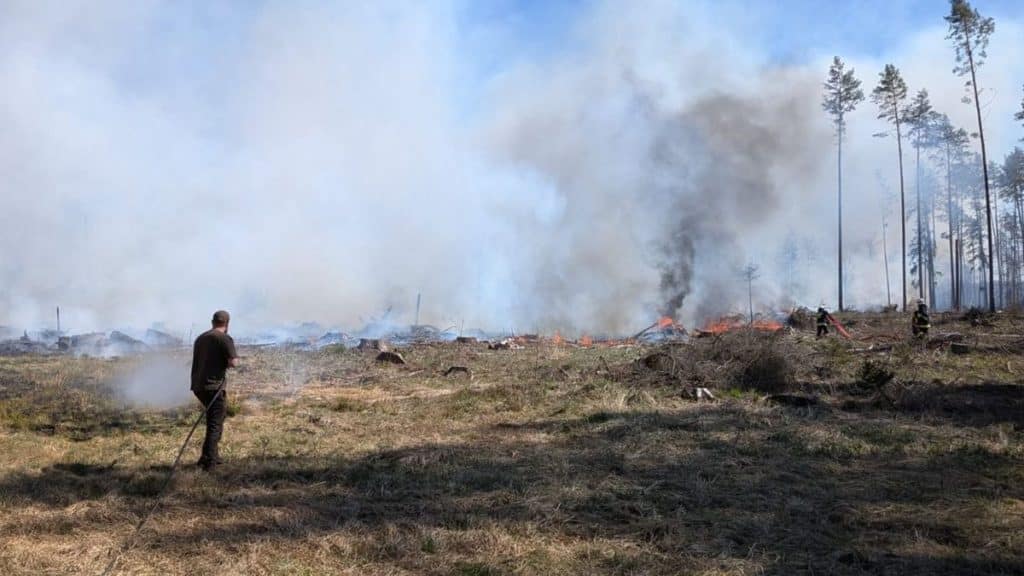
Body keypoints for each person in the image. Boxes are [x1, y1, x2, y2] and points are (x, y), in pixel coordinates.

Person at [190, 310, 239, 471]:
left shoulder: (201, 338)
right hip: (213, 386)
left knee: (215, 417)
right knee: (215, 422)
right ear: (227, 324)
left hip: (198, 385)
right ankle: (209, 462)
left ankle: (210, 456)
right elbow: (233, 362)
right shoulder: (224, 338)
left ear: (212, 322)